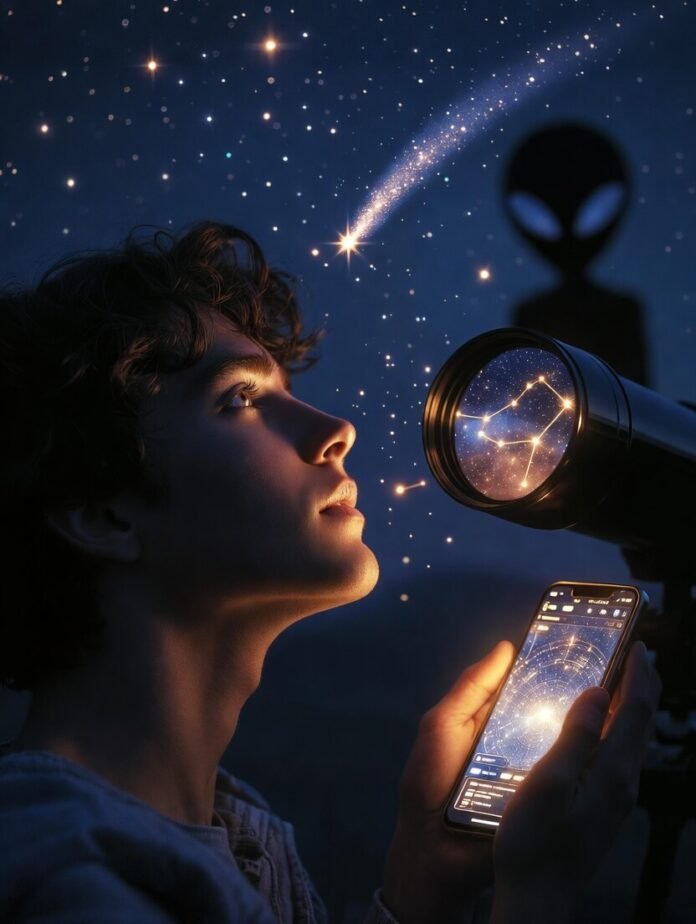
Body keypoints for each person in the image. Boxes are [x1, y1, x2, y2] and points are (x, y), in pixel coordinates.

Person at [0, 220, 661, 923]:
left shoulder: (238, 841)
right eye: (239, 400)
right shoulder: (71, 885)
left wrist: (422, 884)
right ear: (105, 514)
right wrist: (536, 898)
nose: (335, 428)